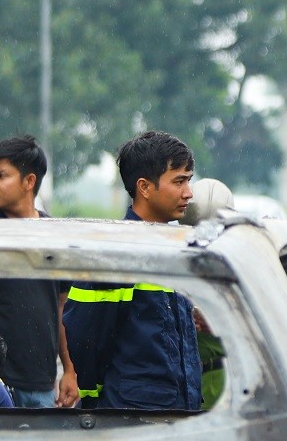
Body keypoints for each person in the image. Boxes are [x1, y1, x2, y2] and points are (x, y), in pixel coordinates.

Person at [64, 131, 213, 411]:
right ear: (144, 187)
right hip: (134, 415)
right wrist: (99, 401)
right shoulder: (116, 254)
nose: (189, 193)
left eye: (189, 180)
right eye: (179, 181)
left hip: (179, 412)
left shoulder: (175, 247)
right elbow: (86, 337)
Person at [0, 135, 79, 408]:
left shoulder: (54, 234)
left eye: (1, 175)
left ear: (29, 181)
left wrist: (69, 370)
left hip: (42, 382)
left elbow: (62, 307)